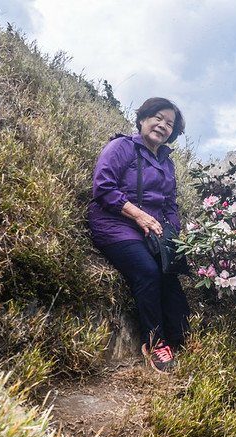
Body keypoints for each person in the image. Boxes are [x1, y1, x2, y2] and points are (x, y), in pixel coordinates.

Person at [88, 97, 190, 373]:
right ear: (143, 119)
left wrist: (172, 237)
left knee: (170, 272)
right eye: (157, 117)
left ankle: (182, 338)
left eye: (169, 124)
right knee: (148, 271)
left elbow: (170, 205)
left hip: (150, 231)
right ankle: (155, 342)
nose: (162, 125)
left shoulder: (167, 164)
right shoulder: (121, 146)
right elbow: (104, 188)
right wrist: (139, 215)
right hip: (114, 223)